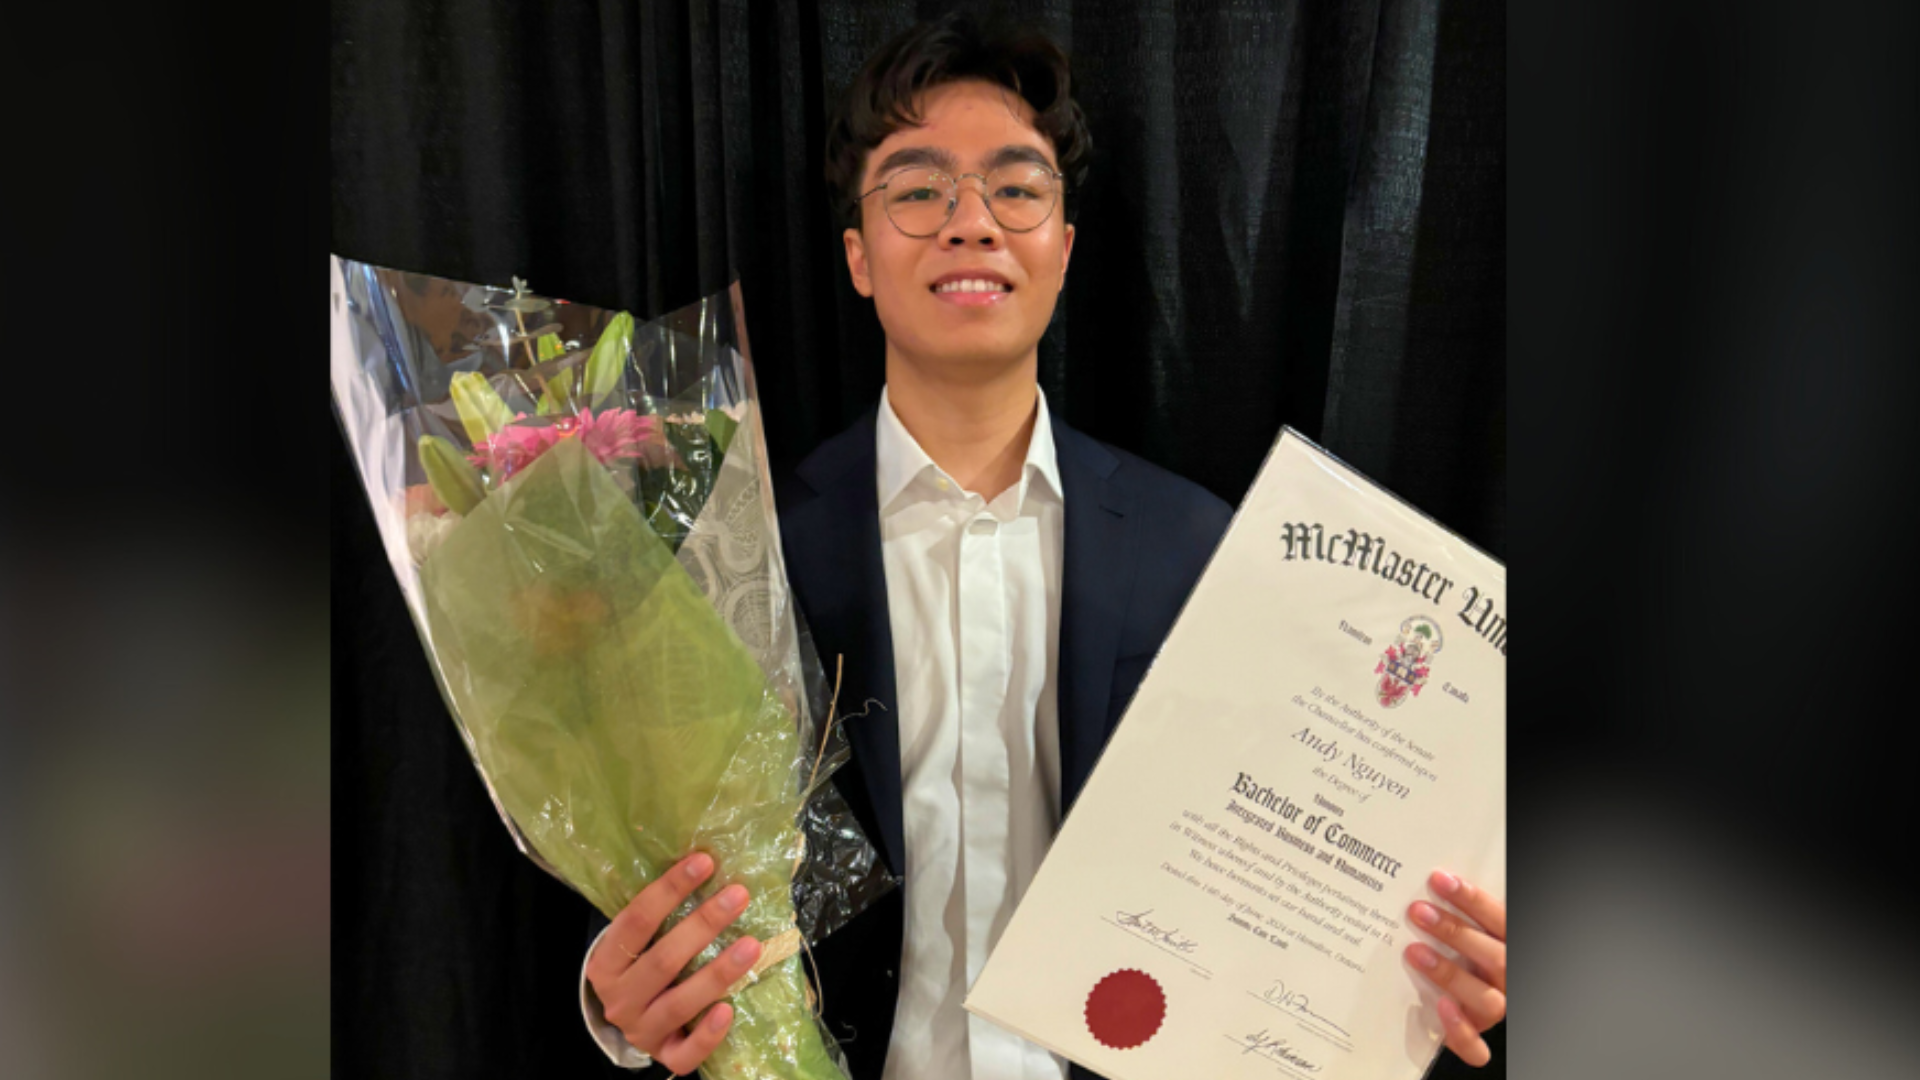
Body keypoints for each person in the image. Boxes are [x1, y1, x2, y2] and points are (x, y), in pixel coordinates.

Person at [577, 13, 1506, 1080]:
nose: (970, 222)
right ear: (858, 258)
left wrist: (1414, 966)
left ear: (1063, 249)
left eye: (1015, 189)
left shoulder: (1204, 550)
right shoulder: (747, 553)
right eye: (918, 191)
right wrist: (620, 995)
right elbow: (664, 866)